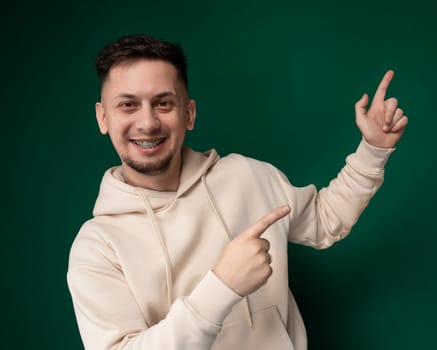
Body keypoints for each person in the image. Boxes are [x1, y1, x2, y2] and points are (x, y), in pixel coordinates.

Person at [67, 34, 408, 350]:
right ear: (103, 118)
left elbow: (324, 219)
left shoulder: (246, 175)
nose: (147, 123)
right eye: (128, 105)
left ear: (189, 114)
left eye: (164, 104)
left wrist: (372, 150)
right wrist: (222, 287)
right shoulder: (97, 246)